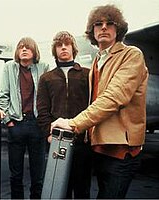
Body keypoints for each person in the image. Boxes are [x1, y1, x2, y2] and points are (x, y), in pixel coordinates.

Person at [50, 4, 149, 199]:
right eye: (98, 24)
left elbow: (114, 97)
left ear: (118, 29)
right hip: (100, 149)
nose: (103, 27)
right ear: (92, 31)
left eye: (109, 23)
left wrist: (73, 123)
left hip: (121, 151)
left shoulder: (131, 55)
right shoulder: (97, 61)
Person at [37, 31, 91, 198]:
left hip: (82, 139)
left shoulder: (87, 74)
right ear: (55, 50)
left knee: (82, 188)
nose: (63, 48)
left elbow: (94, 105)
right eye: (59, 45)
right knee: (60, 188)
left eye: (67, 44)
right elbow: (42, 109)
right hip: (57, 140)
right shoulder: (47, 78)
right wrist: (48, 134)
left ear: (73, 48)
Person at [0, 37, 49, 199]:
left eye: (28, 47)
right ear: (17, 52)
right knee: (16, 174)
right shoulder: (9, 68)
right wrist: (9, 122)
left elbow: (48, 97)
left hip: (36, 125)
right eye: (21, 47)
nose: (24, 50)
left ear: (34, 52)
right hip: (17, 124)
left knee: (38, 174)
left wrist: (44, 122)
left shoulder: (43, 67)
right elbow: (3, 96)